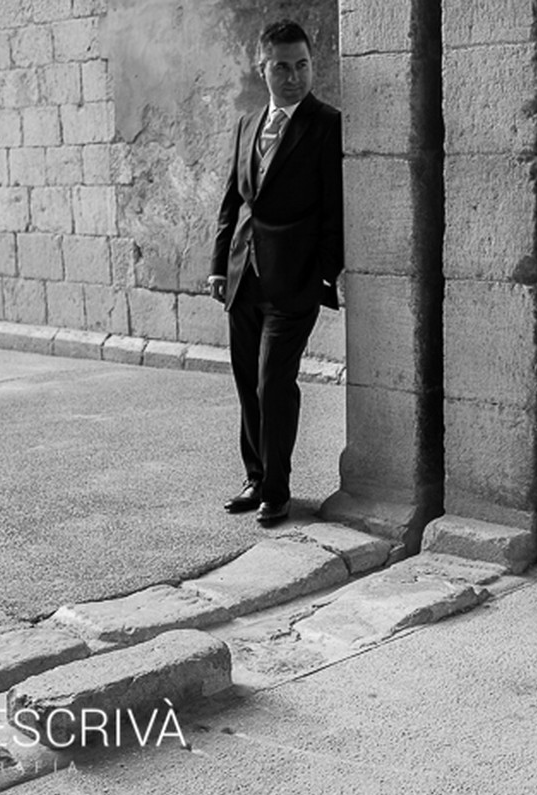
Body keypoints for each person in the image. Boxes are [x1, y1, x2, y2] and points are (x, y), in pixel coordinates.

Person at [209, 20, 343, 526]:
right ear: (261, 67)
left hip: (294, 282)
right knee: (247, 381)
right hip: (244, 275)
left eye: (302, 65)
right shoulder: (246, 123)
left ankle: (278, 491)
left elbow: (336, 212)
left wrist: (322, 274)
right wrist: (219, 266)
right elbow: (231, 203)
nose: (294, 76)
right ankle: (255, 477)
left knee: (273, 382)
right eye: (282, 67)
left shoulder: (327, 125)